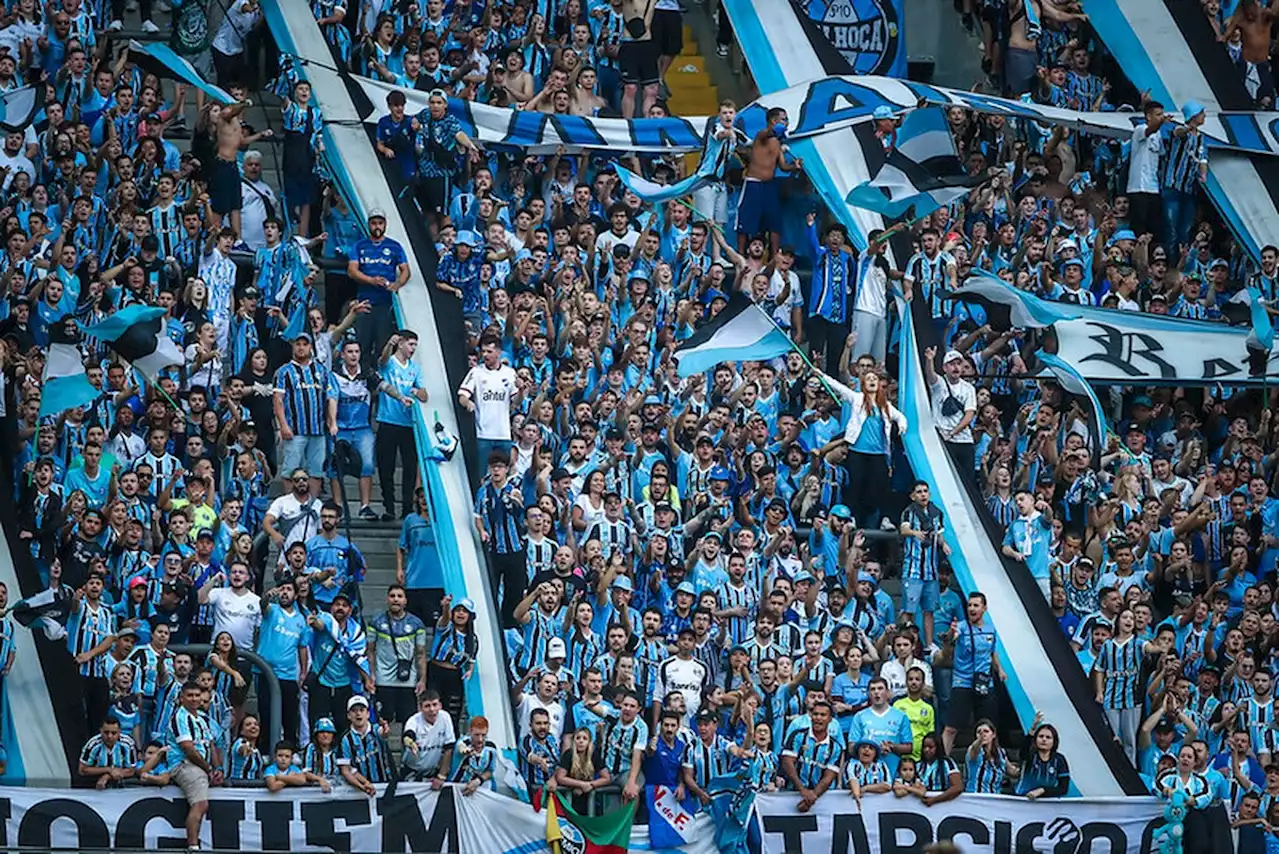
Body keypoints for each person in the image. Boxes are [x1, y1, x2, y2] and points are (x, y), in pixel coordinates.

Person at [375, 330, 428, 520]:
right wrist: (389, 344)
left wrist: (417, 391)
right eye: (411, 344)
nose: (413, 349)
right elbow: (381, 361)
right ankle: (389, 506)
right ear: (401, 344)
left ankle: (407, 507)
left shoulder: (415, 368)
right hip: (387, 421)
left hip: (407, 423)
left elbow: (424, 394)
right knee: (385, 466)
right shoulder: (390, 363)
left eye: (415, 345)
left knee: (410, 467)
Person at [736, 107, 803, 256]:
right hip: (753, 183)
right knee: (746, 220)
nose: (787, 122)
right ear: (773, 120)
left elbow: (783, 166)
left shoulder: (778, 143)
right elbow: (771, 132)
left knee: (774, 222)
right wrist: (780, 130)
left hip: (769, 185)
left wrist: (794, 166)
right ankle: (740, 256)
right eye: (784, 119)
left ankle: (775, 257)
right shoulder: (761, 136)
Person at [347, 209, 409, 370]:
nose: (377, 226)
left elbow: (406, 270)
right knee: (362, 344)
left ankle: (381, 380)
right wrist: (371, 280)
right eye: (374, 223)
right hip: (365, 303)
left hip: (385, 304)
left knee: (383, 345)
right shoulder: (360, 246)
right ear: (369, 225)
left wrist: (396, 285)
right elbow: (352, 270)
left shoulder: (394, 246)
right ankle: (362, 379)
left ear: (385, 225)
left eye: (380, 223)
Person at [457, 335, 518, 483]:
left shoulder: (509, 373)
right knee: (483, 477)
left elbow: (515, 402)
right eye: (483, 351)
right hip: (484, 434)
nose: (485, 355)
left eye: (489, 351)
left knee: (504, 475)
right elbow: (462, 396)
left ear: (498, 352)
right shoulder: (476, 372)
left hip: (504, 434)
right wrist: (468, 403)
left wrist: (522, 392)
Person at [167, 681, 221, 847]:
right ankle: (193, 846)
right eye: (189, 695)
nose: (194, 699)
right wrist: (209, 768)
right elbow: (188, 749)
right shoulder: (179, 717)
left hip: (200, 765)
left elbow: (211, 745)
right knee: (200, 804)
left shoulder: (202, 719)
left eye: (197, 695)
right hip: (184, 764)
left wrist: (218, 768)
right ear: (181, 698)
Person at [367, 585, 427, 726]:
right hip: (383, 681)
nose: (395, 599)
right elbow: (370, 650)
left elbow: (421, 653)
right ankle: (381, 748)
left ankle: (406, 748)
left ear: (405, 601)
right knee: (382, 722)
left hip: (407, 681)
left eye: (399, 596)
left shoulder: (417, 624)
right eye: (392, 596)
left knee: (409, 723)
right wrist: (371, 675)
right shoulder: (376, 622)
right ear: (387, 599)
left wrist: (422, 680)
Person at [922, 348, 977, 475]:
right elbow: (930, 375)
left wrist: (953, 433)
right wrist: (929, 360)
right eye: (952, 364)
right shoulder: (939, 383)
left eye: (958, 364)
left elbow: (969, 415)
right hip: (942, 438)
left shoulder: (969, 388)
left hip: (963, 440)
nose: (956, 367)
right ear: (945, 367)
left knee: (967, 478)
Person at [403, 690, 455, 785]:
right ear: (420, 708)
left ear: (440, 705)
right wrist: (411, 743)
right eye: (427, 706)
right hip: (412, 770)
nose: (432, 709)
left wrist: (441, 776)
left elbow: (449, 748)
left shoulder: (445, 717)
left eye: (435, 704)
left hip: (432, 771)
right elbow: (408, 735)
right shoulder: (413, 720)